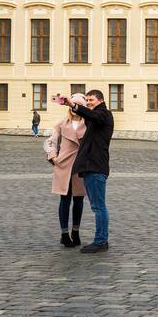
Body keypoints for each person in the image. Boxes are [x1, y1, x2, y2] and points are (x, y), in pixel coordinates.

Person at [58, 90, 115, 253]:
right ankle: (101, 240)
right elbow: (90, 117)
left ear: (100, 100)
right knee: (98, 207)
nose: (88, 102)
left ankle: (101, 241)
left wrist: (73, 105)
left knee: (99, 207)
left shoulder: (104, 114)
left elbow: (94, 116)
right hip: (90, 167)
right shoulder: (94, 117)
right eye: (87, 100)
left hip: (96, 167)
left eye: (91, 100)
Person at [46, 94, 87, 247]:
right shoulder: (62, 124)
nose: (75, 108)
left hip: (80, 167)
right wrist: (53, 157)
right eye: (73, 104)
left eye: (78, 105)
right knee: (65, 200)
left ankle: (75, 231)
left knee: (78, 200)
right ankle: (64, 234)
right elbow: (51, 141)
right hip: (64, 165)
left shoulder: (88, 124)